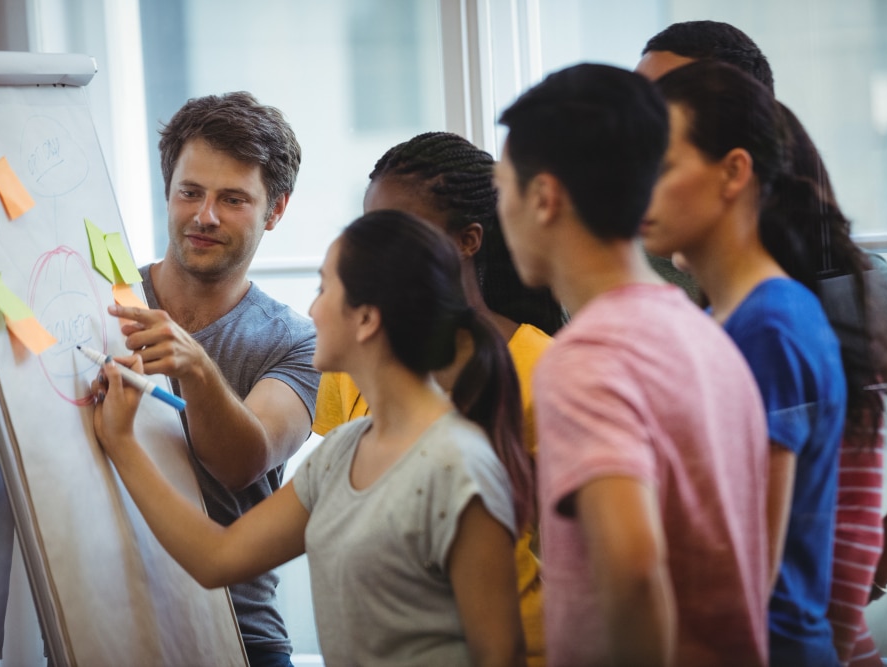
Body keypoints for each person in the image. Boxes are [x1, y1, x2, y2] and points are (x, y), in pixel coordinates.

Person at [91, 209, 534, 666]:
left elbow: (500, 657)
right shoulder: (343, 451)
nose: (312, 309)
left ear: (365, 319)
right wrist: (123, 444)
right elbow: (216, 557)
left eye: (325, 288)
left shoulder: (460, 465)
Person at [635, 21, 887, 665]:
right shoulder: (735, 319)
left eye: (664, 161)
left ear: (735, 169)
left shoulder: (772, 322)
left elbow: (742, 575)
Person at [495, 62, 770, 666]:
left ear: (543, 198)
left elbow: (634, 570)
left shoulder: (586, 360)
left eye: (503, 191)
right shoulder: (703, 333)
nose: (500, 215)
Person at [313, 131, 563, 666]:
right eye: (370, 230)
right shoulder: (357, 360)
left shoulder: (541, 367)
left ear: (469, 241)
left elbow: (578, 550)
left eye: (400, 230)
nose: (377, 252)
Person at [105, 92, 319, 666]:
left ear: (275, 211)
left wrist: (196, 367)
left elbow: (244, 461)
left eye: (233, 199)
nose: (204, 216)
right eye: (190, 192)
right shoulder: (99, 299)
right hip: (88, 620)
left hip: (241, 639)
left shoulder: (295, 340)